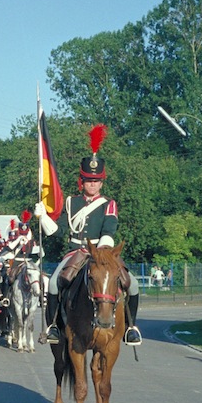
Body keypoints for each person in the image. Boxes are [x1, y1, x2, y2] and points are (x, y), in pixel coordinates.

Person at [34, 125, 139, 345]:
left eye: (96, 180)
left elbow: (109, 231)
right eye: (89, 180)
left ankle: (131, 327)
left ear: (102, 181)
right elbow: (59, 230)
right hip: (75, 252)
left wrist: (100, 254)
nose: (92, 184)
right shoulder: (71, 202)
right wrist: (43, 217)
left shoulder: (108, 204)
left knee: (133, 283)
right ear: (82, 181)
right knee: (54, 283)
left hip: (102, 252)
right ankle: (53, 326)